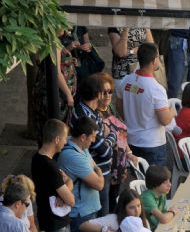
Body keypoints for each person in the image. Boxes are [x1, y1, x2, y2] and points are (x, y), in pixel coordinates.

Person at [56, 116, 104, 232]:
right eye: (92, 137)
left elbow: (95, 169)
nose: (93, 141)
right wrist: (97, 172)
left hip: (89, 210)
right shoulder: (72, 155)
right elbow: (99, 184)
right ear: (83, 136)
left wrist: (96, 171)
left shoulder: (82, 149)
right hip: (81, 213)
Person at [116, 43, 176, 166]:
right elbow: (165, 120)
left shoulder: (126, 81)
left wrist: (131, 118)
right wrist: (172, 112)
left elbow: (119, 106)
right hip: (152, 144)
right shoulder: (156, 89)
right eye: (158, 57)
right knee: (155, 183)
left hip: (132, 140)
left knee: (139, 180)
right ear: (154, 61)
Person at [71, 75, 117, 215]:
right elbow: (106, 152)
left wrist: (106, 137)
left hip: (99, 170)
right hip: (98, 172)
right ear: (97, 94)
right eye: (104, 92)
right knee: (101, 218)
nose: (106, 96)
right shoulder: (87, 118)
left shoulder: (88, 111)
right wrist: (112, 136)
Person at [31, 118, 75, 232]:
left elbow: (68, 182)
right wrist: (67, 192)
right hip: (58, 226)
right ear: (57, 139)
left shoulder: (36, 159)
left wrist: (65, 190)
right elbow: (71, 200)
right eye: (64, 137)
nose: (65, 141)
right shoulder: (51, 167)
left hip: (46, 221)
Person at [95, 72, 139, 208]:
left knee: (115, 199)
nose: (108, 95)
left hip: (119, 162)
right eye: (104, 92)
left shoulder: (111, 108)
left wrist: (129, 152)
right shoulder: (94, 113)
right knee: (106, 203)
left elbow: (121, 134)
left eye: (110, 92)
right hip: (106, 164)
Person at [79, 188, 149, 232]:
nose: (137, 210)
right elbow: (83, 226)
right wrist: (104, 230)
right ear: (123, 208)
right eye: (132, 207)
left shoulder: (143, 220)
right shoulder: (113, 219)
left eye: (139, 205)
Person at [140, 165, 176, 231]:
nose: (170, 184)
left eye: (169, 181)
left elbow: (164, 212)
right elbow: (163, 219)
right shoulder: (147, 198)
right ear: (155, 184)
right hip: (149, 231)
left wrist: (168, 214)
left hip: (158, 226)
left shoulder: (162, 193)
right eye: (165, 183)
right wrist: (172, 212)